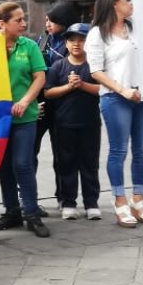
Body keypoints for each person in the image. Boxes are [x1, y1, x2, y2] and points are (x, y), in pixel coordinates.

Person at [86, 0, 143, 228]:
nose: (131, 1)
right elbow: (96, 71)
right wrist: (122, 89)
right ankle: (120, 200)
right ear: (114, 2)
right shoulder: (98, 34)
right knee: (119, 151)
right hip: (116, 97)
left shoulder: (135, 27)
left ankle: (139, 199)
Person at [0, 2, 50, 237]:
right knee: (4, 166)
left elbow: (39, 77)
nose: (24, 24)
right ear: (2, 23)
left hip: (26, 117)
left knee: (22, 164)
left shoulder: (29, 46)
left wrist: (25, 101)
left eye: (24, 19)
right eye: (18, 20)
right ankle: (11, 210)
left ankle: (32, 212)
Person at [43, 22, 101, 221]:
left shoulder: (94, 67)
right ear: (66, 43)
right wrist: (68, 87)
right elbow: (48, 92)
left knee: (90, 163)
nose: (76, 44)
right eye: (72, 40)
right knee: (65, 163)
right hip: (64, 124)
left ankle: (91, 202)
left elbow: (103, 89)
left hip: (90, 123)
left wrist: (82, 84)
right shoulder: (58, 66)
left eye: (81, 40)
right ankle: (68, 202)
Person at [36, 1, 78, 213]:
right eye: (46, 19)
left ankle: (64, 196)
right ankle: (29, 197)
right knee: (30, 150)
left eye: (53, 20)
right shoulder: (43, 39)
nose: (48, 23)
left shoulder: (72, 42)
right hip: (41, 102)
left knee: (63, 154)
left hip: (63, 103)